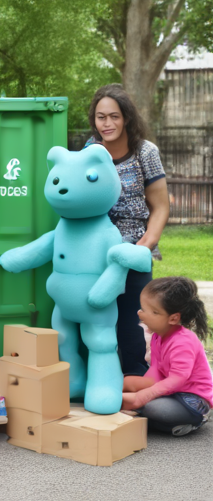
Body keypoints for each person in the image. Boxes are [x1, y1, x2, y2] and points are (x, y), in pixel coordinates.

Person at [86, 84, 170, 376]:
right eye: (100, 117)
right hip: (97, 249)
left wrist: (142, 248)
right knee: (97, 317)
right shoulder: (91, 150)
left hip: (135, 248)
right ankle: (97, 378)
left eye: (114, 116)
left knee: (133, 321)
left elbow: (160, 207)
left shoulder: (145, 152)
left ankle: (135, 378)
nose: (107, 124)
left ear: (127, 118)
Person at [122, 277, 212, 436]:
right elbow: (156, 370)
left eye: (152, 312)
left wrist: (142, 396)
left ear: (173, 318)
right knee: (128, 382)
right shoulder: (158, 336)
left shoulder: (182, 342)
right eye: (142, 308)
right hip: (171, 392)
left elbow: (177, 379)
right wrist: (137, 386)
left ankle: (194, 422)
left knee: (154, 408)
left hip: (192, 400)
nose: (140, 314)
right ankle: (148, 417)